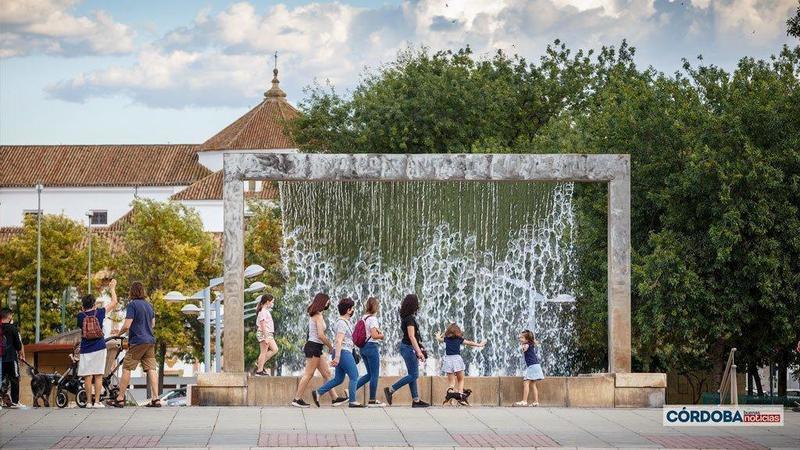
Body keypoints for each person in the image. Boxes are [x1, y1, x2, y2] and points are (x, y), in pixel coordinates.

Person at [107, 281, 159, 408]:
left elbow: (127, 325)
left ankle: (120, 399)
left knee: (127, 368)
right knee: (151, 369)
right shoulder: (149, 305)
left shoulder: (132, 305)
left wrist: (119, 334)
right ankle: (156, 398)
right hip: (150, 341)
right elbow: (153, 324)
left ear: (132, 292)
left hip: (137, 342)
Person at [292, 293, 347, 408]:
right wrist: (331, 346)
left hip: (316, 347)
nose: (328, 303)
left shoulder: (317, 314)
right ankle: (297, 399)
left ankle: (335, 398)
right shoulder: (318, 316)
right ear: (322, 302)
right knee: (309, 374)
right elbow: (321, 335)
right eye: (327, 301)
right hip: (314, 347)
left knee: (326, 373)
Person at [312, 297, 363, 408]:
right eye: (352, 308)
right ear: (348, 310)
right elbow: (338, 340)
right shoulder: (341, 323)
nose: (353, 310)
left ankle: (318, 392)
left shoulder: (345, 322)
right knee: (354, 376)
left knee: (338, 379)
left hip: (342, 352)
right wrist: (337, 358)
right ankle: (353, 401)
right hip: (343, 352)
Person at [77, 279, 119, 408]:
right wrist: (112, 288)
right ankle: (97, 402)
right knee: (98, 375)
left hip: (85, 349)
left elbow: (81, 328)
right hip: (99, 347)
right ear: (94, 304)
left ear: (83, 306)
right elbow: (114, 302)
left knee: (87, 376)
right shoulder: (99, 312)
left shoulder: (80, 316)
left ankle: (88, 402)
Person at [384, 294, 430, 408]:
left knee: (412, 374)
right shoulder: (409, 319)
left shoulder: (407, 318)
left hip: (407, 347)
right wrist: (418, 352)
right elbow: (411, 336)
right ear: (413, 305)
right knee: (414, 375)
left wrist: (419, 348)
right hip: (408, 348)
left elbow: (413, 337)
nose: (418, 305)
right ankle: (391, 389)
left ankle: (416, 400)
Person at [435, 322, 486, 405]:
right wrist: (479, 345)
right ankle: (461, 398)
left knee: (451, 383)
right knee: (460, 380)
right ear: (458, 332)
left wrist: (443, 332)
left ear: (448, 332)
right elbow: (469, 343)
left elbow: (438, 339)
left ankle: (451, 396)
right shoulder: (459, 339)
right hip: (456, 359)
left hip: (448, 360)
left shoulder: (446, 339)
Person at [355, 297, 385, 407]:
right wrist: (382, 335)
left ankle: (351, 390)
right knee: (374, 375)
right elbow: (374, 335)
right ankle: (372, 400)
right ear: (375, 306)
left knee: (369, 374)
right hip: (371, 347)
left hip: (363, 348)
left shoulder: (363, 317)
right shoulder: (373, 319)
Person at [1, 308, 26, 408]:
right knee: (14, 378)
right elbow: (18, 345)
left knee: (1, 379)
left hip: (1, 358)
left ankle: (2, 400)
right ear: (9, 316)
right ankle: (15, 402)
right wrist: (21, 354)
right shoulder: (13, 328)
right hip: (11, 358)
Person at [514, 329, 544, 407]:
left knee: (526, 382)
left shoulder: (527, 345)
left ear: (527, 339)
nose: (520, 339)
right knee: (533, 384)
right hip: (536, 365)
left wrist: (523, 347)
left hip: (532, 366)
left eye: (522, 338)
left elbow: (525, 349)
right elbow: (531, 343)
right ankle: (536, 402)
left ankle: (524, 401)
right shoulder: (530, 344)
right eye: (520, 337)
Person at [255, 294, 278, 376]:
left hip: (268, 333)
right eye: (272, 302)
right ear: (268, 302)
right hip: (264, 333)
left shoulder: (265, 311)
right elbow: (263, 325)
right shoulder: (263, 312)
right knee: (263, 352)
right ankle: (259, 371)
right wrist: (266, 337)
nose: (273, 304)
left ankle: (259, 363)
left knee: (275, 349)